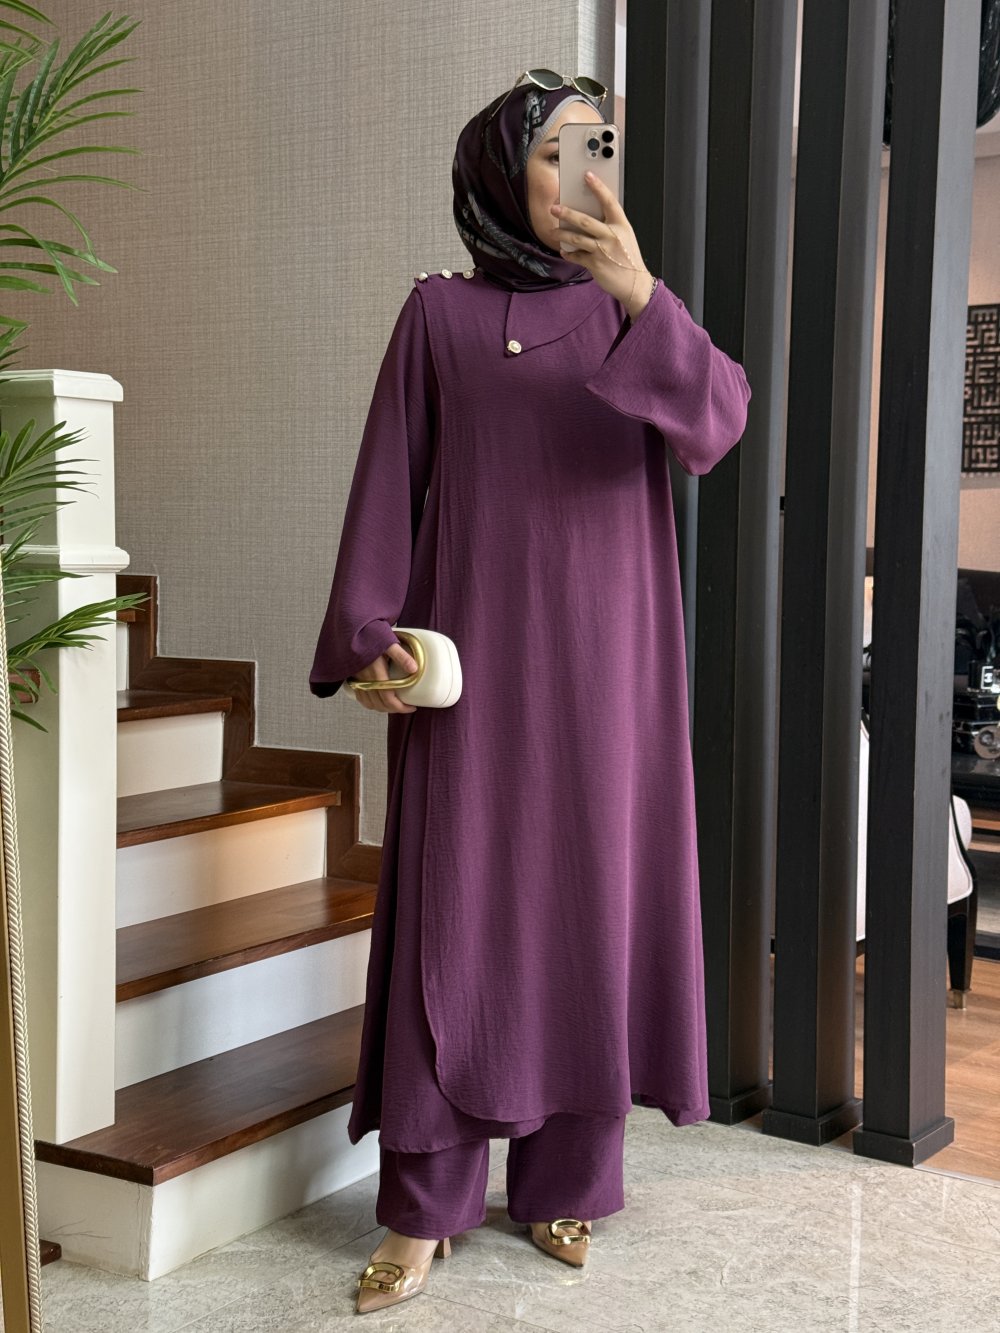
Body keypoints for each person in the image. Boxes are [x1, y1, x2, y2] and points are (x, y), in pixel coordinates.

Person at [309, 69, 751, 1316]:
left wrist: (642, 294)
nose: (582, 176)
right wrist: (367, 640)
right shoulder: (439, 314)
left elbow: (717, 423)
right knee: (458, 918)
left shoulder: (633, 310)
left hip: (614, 671)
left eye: (597, 148)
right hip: (476, 663)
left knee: (588, 913)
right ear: (502, 174)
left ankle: (567, 1182)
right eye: (556, 152)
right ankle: (423, 1208)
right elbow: (388, 478)